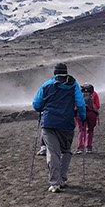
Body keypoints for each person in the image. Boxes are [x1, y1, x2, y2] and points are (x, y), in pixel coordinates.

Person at [31, 62, 83, 192]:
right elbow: (80, 103)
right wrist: (82, 117)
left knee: (52, 152)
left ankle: (55, 183)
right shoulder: (74, 85)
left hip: (49, 123)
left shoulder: (46, 85)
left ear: (54, 73)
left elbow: (37, 104)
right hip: (67, 123)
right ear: (66, 72)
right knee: (66, 151)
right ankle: (63, 178)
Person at [75, 84, 100, 153]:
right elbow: (98, 105)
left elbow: (75, 104)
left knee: (82, 130)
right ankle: (89, 147)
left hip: (81, 112)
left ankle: (80, 148)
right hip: (92, 113)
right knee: (90, 130)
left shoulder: (79, 94)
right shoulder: (94, 93)